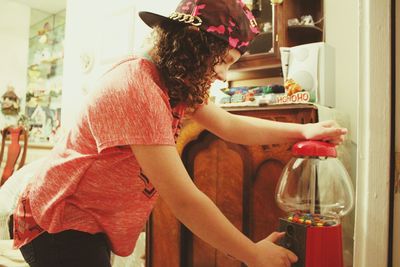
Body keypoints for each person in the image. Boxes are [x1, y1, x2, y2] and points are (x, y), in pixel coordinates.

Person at [13, 0, 347, 266]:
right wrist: (252, 254)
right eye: (224, 60)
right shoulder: (137, 88)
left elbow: (229, 125)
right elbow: (184, 200)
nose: (222, 76)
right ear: (196, 46)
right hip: (57, 224)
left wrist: (303, 128)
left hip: (89, 222)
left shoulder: (171, 82)